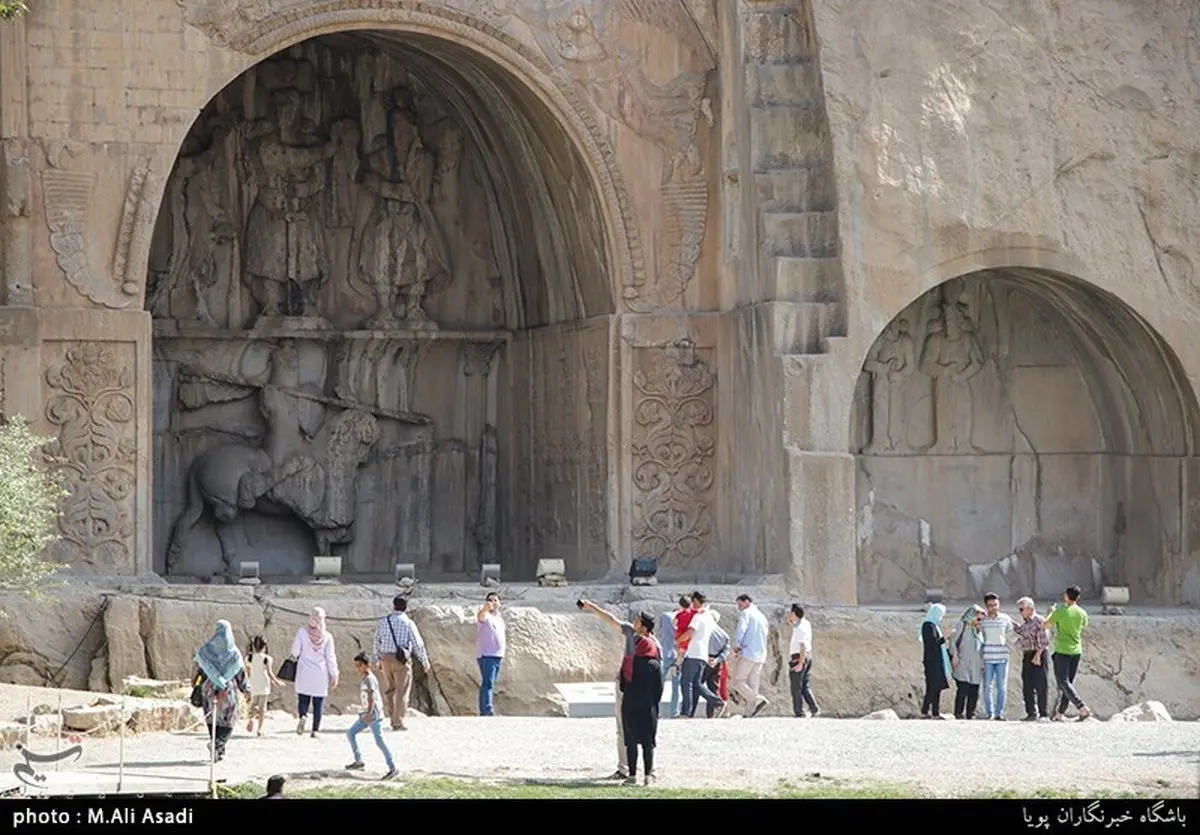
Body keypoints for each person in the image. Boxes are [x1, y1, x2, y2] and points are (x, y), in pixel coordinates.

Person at [579, 600, 663, 786]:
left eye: (638, 620)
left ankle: (644, 770)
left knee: (640, 732)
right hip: (630, 688)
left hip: (638, 689)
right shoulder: (635, 636)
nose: (634, 622)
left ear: (643, 626)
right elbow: (611, 620)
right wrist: (592, 607)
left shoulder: (652, 645)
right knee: (627, 730)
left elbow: (658, 673)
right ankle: (628, 768)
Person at [193, 620, 250, 761]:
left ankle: (217, 750)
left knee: (212, 719)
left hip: (209, 689)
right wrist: (246, 689)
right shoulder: (234, 653)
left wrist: (194, 682)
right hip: (228, 691)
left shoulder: (205, 650)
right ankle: (218, 744)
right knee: (229, 720)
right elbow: (240, 673)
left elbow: (198, 668)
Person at [372, 595, 431, 731]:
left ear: (393, 606)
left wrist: (377, 658)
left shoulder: (383, 622)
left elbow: (376, 641)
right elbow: (417, 643)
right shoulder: (408, 623)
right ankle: (398, 721)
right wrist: (424, 660)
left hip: (385, 659)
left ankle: (392, 717)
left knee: (389, 690)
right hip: (401, 660)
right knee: (402, 690)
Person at [345, 652, 398, 780]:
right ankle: (359, 760)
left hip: (373, 715)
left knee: (379, 741)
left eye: (359, 665)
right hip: (366, 714)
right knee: (350, 733)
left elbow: (372, 697)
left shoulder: (370, 679)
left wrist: (369, 714)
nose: (357, 668)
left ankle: (393, 768)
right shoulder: (365, 678)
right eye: (356, 665)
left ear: (367, 665)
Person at [1044, 585, 1092, 721]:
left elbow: (1046, 625)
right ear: (1078, 597)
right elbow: (1084, 625)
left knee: (1063, 681)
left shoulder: (1060, 611)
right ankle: (1060, 713)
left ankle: (1081, 707)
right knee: (1068, 683)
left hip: (1063, 650)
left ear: (1066, 596)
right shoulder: (1082, 612)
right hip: (1077, 650)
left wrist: (1050, 612)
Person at [291, 606, 339, 737]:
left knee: (303, 699)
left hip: (304, 671)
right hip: (320, 673)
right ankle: (315, 730)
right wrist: (334, 674)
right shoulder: (327, 637)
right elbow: (330, 657)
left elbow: (295, 652)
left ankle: (303, 716)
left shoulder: (302, 632)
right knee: (318, 703)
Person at [675, 591, 724, 718]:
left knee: (686, 683)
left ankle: (685, 712)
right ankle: (717, 702)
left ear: (695, 601)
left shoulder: (698, 617)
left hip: (693, 653)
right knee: (696, 684)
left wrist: (678, 640)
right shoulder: (709, 617)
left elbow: (690, 632)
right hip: (702, 654)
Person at [730, 594, 770, 718]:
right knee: (753, 683)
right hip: (761, 654)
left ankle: (758, 699)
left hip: (749, 652)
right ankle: (750, 712)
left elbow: (741, 629)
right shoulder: (762, 616)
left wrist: (737, 645)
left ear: (746, 602)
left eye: (740, 604)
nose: (739, 607)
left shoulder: (746, 613)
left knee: (737, 681)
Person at [979, 592, 1015, 720]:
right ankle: (990, 713)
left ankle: (999, 713)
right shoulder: (982, 620)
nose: (993, 607)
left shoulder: (1005, 619)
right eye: (990, 605)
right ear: (986, 606)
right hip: (987, 657)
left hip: (1002, 656)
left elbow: (1011, 635)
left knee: (1001, 686)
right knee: (987, 686)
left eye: (995, 604)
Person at [1013, 596, 1050, 721]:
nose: (1020, 612)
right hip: (1027, 654)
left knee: (1041, 684)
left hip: (1038, 653)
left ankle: (1043, 713)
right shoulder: (1027, 623)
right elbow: (1020, 631)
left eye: (1022, 609)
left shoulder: (1039, 620)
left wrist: (1038, 655)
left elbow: (1044, 640)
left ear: (1030, 608)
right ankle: (1031, 713)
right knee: (1027, 685)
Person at [948, 605, 984, 720]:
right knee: (963, 689)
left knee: (974, 690)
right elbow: (953, 641)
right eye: (978, 618)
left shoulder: (979, 629)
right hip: (962, 661)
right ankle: (958, 713)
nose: (980, 621)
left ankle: (970, 713)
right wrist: (954, 655)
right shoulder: (961, 625)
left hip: (976, 664)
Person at [786, 604, 820, 717]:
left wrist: (800, 663)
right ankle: (813, 707)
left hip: (799, 657)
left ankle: (799, 711)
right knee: (805, 685)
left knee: (796, 687)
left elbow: (802, 646)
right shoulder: (805, 624)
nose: (789, 614)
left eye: (791, 613)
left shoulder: (800, 629)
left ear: (795, 614)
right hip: (808, 656)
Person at [476, 592, 506, 717]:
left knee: (491, 683)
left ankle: (487, 708)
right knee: (488, 683)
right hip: (487, 654)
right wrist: (485, 608)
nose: (493, 602)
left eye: (495, 600)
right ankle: (487, 710)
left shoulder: (499, 618)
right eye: (490, 600)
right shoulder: (485, 615)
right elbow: (481, 617)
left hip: (497, 655)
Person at [919, 603, 951, 718]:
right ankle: (925, 710)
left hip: (936, 660)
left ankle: (935, 712)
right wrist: (944, 638)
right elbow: (932, 643)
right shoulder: (928, 626)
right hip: (932, 661)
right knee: (932, 687)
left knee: (937, 687)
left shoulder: (934, 626)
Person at [245, 635, 282, 736]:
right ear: (265, 646)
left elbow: (248, 673)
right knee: (262, 708)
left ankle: (251, 719)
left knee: (252, 705)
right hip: (264, 685)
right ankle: (259, 729)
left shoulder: (248, 658)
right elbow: (270, 674)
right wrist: (277, 682)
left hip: (254, 684)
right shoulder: (268, 659)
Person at [657, 598, 688, 719]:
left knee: (659, 684)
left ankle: (656, 710)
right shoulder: (686, 618)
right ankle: (674, 712)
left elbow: (660, 631)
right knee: (676, 686)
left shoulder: (665, 616)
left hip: (665, 653)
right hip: (678, 655)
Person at [671, 595, 698, 719]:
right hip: (691, 642)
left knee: (680, 658)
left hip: (682, 641)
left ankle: (677, 665)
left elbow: (674, 624)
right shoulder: (694, 613)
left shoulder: (679, 615)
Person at [702, 610, 730, 718]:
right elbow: (725, 652)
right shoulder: (724, 634)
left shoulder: (706, 631)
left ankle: (689, 711)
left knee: (696, 685)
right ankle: (711, 714)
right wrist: (717, 660)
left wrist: (707, 658)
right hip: (717, 663)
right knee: (713, 688)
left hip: (705, 660)